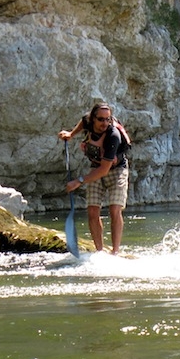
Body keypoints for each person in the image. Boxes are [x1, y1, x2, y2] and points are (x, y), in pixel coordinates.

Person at [58, 102, 129, 254]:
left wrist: (79, 181)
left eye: (107, 119)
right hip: (96, 168)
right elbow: (82, 123)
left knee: (114, 209)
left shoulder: (113, 136)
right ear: (93, 119)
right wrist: (71, 134)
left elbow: (104, 170)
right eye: (101, 119)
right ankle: (99, 251)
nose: (104, 123)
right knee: (92, 211)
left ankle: (115, 252)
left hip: (116, 170)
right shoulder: (87, 120)